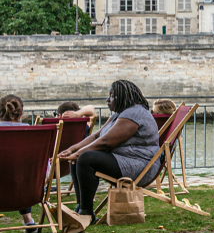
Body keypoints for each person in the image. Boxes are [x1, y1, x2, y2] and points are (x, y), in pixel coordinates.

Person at [57, 80, 160, 223]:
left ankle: (86, 213)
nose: (108, 99)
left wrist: (79, 153)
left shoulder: (134, 114)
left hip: (139, 166)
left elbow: (106, 142)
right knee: (78, 158)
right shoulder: (119, 114)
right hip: (123, 160)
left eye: (111, 96)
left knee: (86, 158)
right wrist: (72, 150)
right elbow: (97, 136)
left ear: (122, 97)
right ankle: (80, 207)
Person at [1, 94, 41, 233]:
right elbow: (45, 172)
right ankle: (28, 221)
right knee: (22, 172)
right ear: (20, 114)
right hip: (29, 194)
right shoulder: (34, 134)